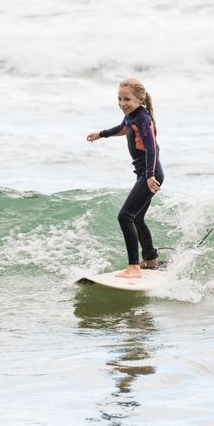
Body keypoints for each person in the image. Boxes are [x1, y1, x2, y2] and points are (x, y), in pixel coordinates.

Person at [87, 77, 164, 279]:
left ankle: (134, 268)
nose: (122, 103)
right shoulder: (132, 116)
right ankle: (150, 259)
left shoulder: (143, 118)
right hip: (144, 174)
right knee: (137, 218)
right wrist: (101, 134)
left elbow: (151, 148)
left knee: (125, 216)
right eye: (119, 99)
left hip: (150, 174)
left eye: (127, 99)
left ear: (140, 100)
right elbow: (122, 129)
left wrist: (149, 176)